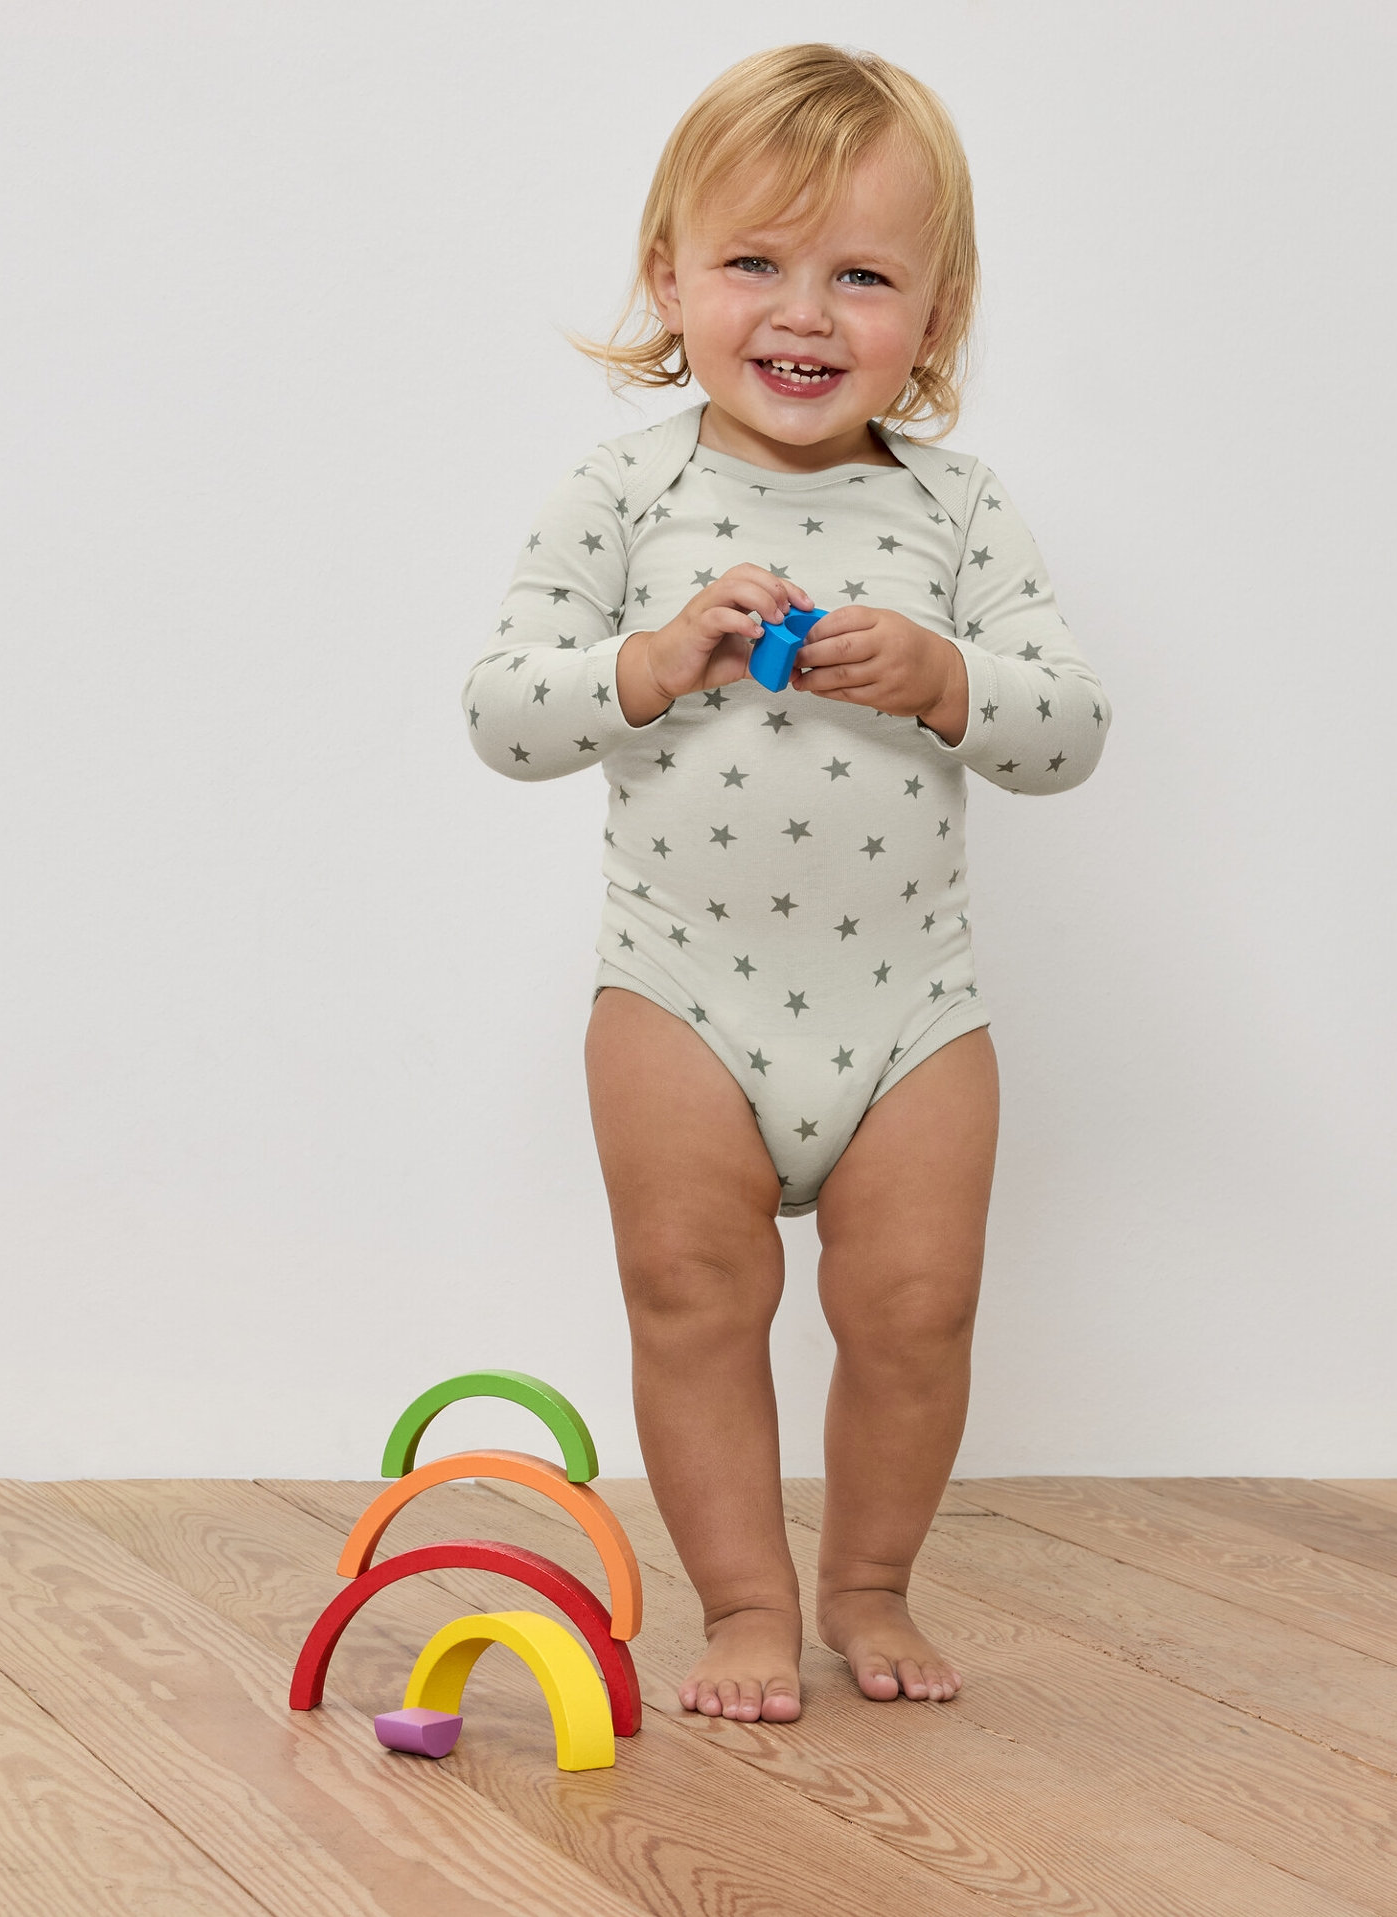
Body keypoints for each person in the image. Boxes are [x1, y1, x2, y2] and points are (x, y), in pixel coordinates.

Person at [463, 43, 1109, 1722]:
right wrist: (655, 659)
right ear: (667, 280)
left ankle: (871, 1582)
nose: (801, 312)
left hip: (911, 1009)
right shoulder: (628, 490)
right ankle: (743, 1603)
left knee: (916, 1306)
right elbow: (500, 712)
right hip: (682, 990)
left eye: (861, 275)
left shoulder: (957, 509)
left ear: (935, 317)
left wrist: (949, 676)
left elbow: (1070, 731)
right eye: (752, 262)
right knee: (691, 1292)